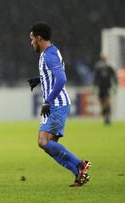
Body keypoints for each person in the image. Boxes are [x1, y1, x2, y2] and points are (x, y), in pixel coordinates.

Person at [27, 22, 91, 187]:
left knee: (44, 142)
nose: (31, 42)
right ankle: (78, 173)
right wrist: (40, 79)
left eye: (32, 38)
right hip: (53, 104)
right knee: (48, 144)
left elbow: (62, 79)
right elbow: (52, 76)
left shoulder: (49, 54)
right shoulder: (47, 53)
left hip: (57, 104)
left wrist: (48, 100)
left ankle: (80, 165)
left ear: (39, 38)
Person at [93, 53, 118, 125]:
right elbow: (95, 77)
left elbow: (114, 76)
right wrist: (94, 86)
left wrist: (115, 86)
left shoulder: (109, 66)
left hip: (107, 87)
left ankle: (108, 117)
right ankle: (105, 115)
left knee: (107, 101)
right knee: (102, 102)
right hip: (101, 87)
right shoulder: (98, 66)